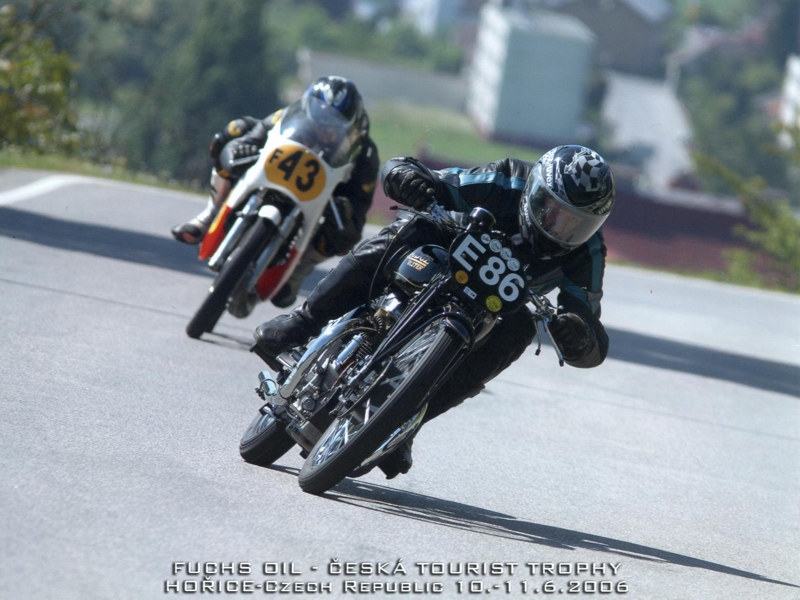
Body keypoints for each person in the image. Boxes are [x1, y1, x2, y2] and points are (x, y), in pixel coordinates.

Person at [253, 145, 615, 478]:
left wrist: (578, 336)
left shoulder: (588, 253)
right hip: (444, 247)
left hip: (496, 307)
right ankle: (302, 323)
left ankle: (408, 421)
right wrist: (408, 178)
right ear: (534, 191)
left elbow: (589, 327)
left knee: (521, 330)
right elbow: (423, 175)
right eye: (554, 211)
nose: (561, 229)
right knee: (412, 227)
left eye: (577, 223)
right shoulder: (506, 180)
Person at [171, 75, 380, 309]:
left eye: (334, 125)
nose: (324, 129)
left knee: (346, 235)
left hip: (323, 200)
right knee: (232, 132)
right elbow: (254, 135)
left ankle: (299, 268)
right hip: (273, 170)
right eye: (319, 119)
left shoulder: (365, 154)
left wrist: (345, 210)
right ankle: (209, 215)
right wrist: (240, 150)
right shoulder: (286, 115)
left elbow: (359, 210)